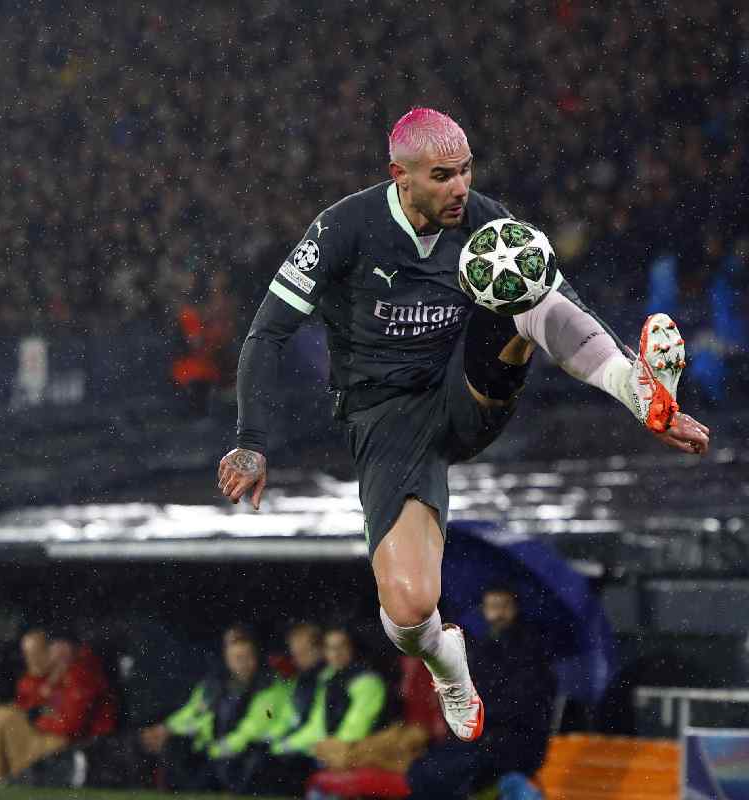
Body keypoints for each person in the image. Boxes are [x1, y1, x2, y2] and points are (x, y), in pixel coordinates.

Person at [217, 107, 711, 742]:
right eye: (443, 175)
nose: (460, 187)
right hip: (387, 419)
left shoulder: (487, 224)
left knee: (523, 284)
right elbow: (266, 334)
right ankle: (448, 664)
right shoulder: (343, 229)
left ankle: (639, 389)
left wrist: (626, 379)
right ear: (401, 177)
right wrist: (251, 442)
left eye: (467, 170)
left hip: (466, 387)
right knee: (408, 609)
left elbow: (566, 309)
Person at [407, 585, 556, 799]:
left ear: (516, 609)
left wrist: (477, 712)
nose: (499, 613)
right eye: (492, 606)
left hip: (512, 741)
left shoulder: (532, 651)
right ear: (483, 610)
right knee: (422, 770)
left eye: (504, 606)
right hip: (481, 738)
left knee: (445, 773)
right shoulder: (482, 647)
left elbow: (523, 704)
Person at [0, 629, 116, 785]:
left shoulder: (82, 674)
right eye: (28, 655)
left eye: (38, 653)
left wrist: (38, 719)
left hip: (76, 743)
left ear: (62, 649)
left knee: (3, 722)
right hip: (50, 732)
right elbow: (28, 704)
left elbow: (70, 725)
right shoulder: (51, 676)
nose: (32, 660)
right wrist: (45, 680)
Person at [139, 625, 287, 794]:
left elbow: (254, 728)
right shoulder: (213, 685)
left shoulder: (269, 685)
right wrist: (167, 728)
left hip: (240, 755)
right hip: (212, 754)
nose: (242, 663)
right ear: (227, 657)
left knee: (252, 758)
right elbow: (192, 714)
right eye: (236, 657)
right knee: (174, 747)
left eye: (247, 657)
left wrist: (218, 749)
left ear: (256, 657)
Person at [260, 624, 388, 795]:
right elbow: (317, 724)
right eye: (330, 647)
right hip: (329, 750)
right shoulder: (328, 679)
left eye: (341, 646)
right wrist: (285, 746)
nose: (335, 653)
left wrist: (318, 749)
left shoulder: (367, 682)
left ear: (353, 648)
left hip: (357, 752)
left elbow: (354, 732)